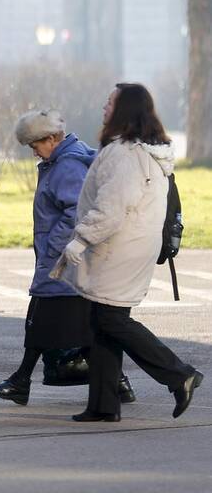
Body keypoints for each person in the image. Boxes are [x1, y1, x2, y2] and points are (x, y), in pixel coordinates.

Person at [51, 84, 202, 422]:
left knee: (110, 319)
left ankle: (179, 374)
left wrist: (80, 240)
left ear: (124, 111)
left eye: (110, 103)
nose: (104, 107)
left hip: (118, 248)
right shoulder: (141, 151)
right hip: (131, 245)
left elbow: (111, 208)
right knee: (102, 321)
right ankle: (103, 405)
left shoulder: (124, 154)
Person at [0, 109, 136, 406]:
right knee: (83, 325)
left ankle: (20, 382)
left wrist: (54, 246)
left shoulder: (67, 166)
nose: (34, 153)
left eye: (35, 145)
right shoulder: (65, 160)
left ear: (52, 138)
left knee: (40, 321)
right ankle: (118, 383)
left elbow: (75, 211)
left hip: (63, 260)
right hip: (67, 259)